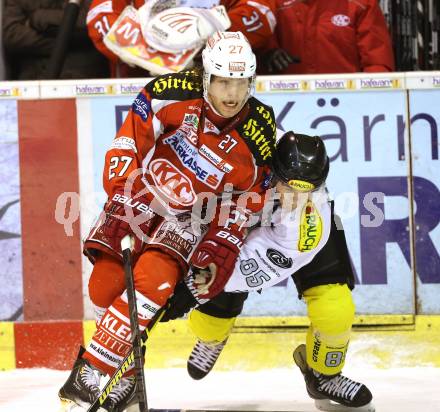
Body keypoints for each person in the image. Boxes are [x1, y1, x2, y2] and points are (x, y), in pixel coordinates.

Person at [58, 30, 277, 412]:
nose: (232, 94)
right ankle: (125, 379)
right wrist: (121, 185)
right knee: (103, 287)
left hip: (191, 218)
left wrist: (218, 246)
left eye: (241, 83)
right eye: (224, 81)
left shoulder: (259, 130)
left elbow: (245, 201)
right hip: (140, 196)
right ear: (207, 76)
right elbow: (130, 141)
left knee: (151, 282)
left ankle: (91, 374)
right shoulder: (170, 90)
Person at [162, 132, 374, 412]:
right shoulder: (249, 155)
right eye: (291, 187)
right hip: (233, 217)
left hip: (290, 239)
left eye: (307, 189)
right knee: (211, 318)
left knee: (335, 308)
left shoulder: (308, 221)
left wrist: (196, 284)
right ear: (274, 169)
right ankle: (211, 338)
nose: (297, 197)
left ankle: (324, 375)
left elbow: (242, 272)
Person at [86, 0, 277, 77]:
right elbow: (101, 13)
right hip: (138, 85)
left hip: (215, 84)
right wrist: (144, 49)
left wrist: (214, 36)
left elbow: (261, 12)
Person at [259, 0, 395, 75]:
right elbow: (254, 56)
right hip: (286, 104)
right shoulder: (272, 5)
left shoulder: (361, 4)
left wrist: (372, 99)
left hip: (350, 103)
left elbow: (378, 65)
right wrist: (266, 56)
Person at [2, 0, 109, 79]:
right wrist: (66, 42)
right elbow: (12, 35)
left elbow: (94, 23)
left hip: (85, 80)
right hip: (33, 79)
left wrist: (39, 18)